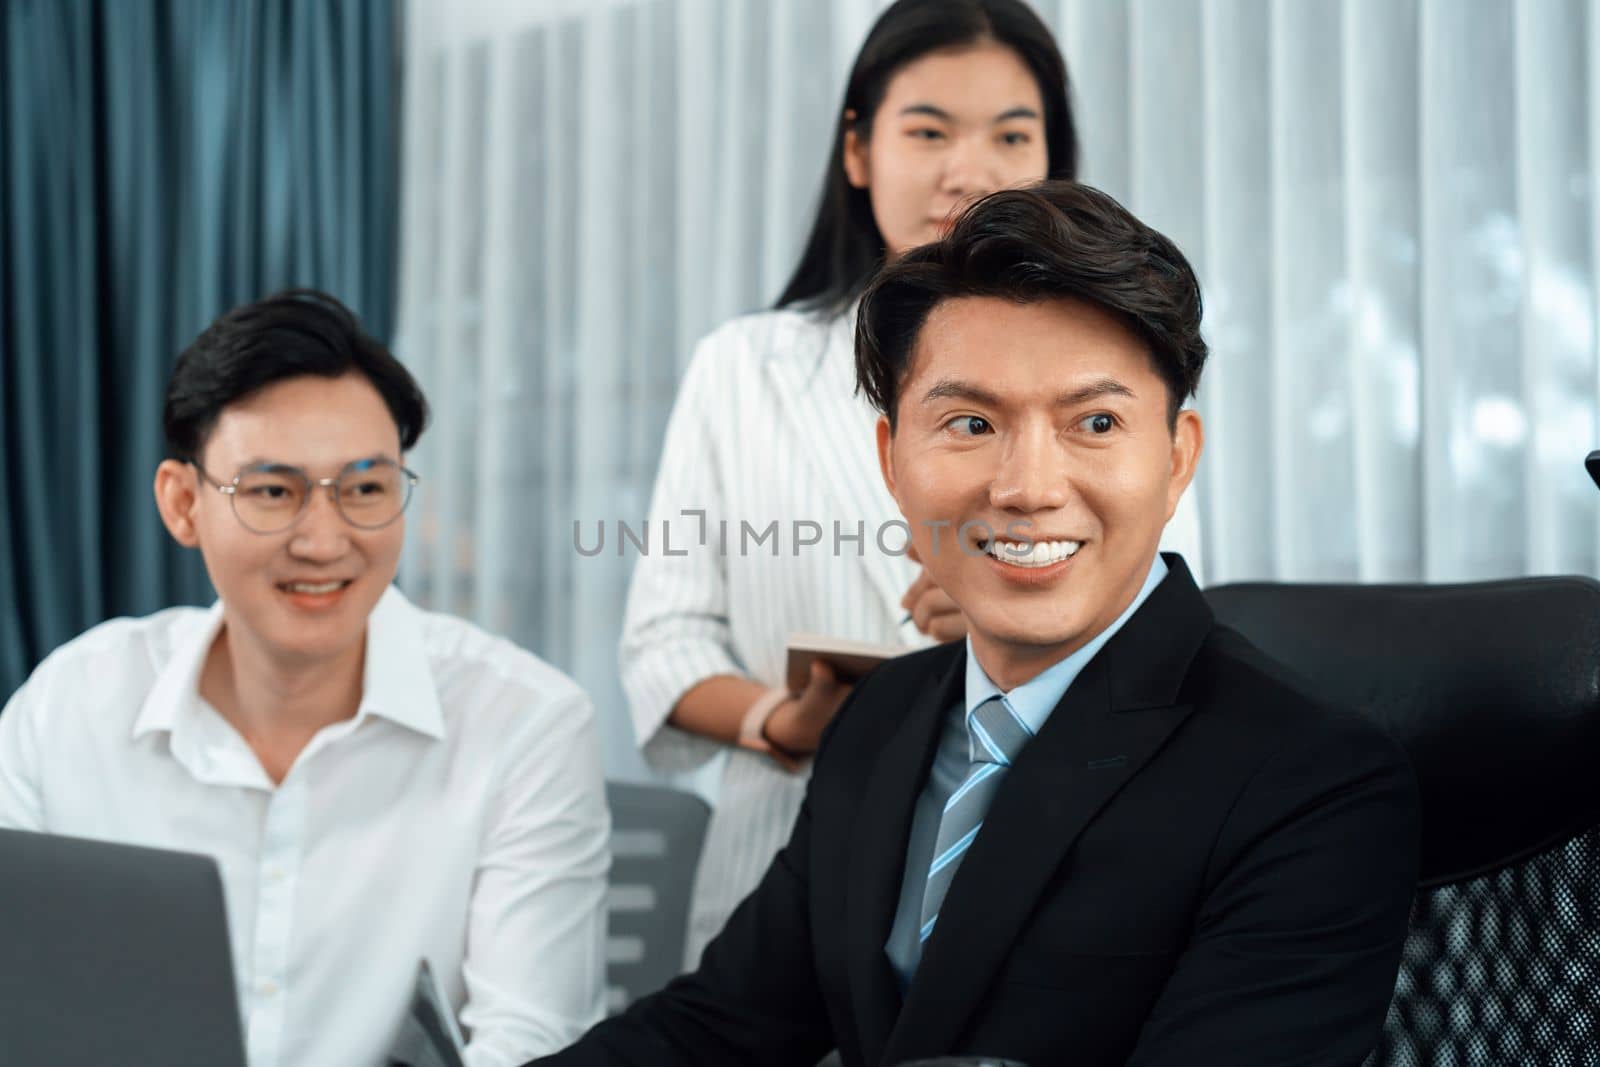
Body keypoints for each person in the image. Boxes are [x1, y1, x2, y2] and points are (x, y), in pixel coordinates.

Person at [531, 181, 1419, 1066]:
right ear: (890, 459)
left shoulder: (1311, 781)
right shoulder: (879, 720)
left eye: (1095, 422)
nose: (1026, 487)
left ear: (1177, 456)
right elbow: (714, 1030)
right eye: (970, 422)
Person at [621, 0, 1204, 969]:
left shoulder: (1118, 374)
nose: (966, 171)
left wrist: (1026, 600)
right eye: (927, 130)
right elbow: (661, 642)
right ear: (857, 149)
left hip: (1058, 847)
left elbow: (1180, 614)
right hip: (788, 862)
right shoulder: (741, 368)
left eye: (1010, 134)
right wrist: (782, 721)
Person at [0, 291, 610, 1067]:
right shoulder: (69, 707)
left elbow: (530, 1045)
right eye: (273, 491)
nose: (325, 541)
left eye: (364, 488)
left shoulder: (526, 725)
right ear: (183, 504)